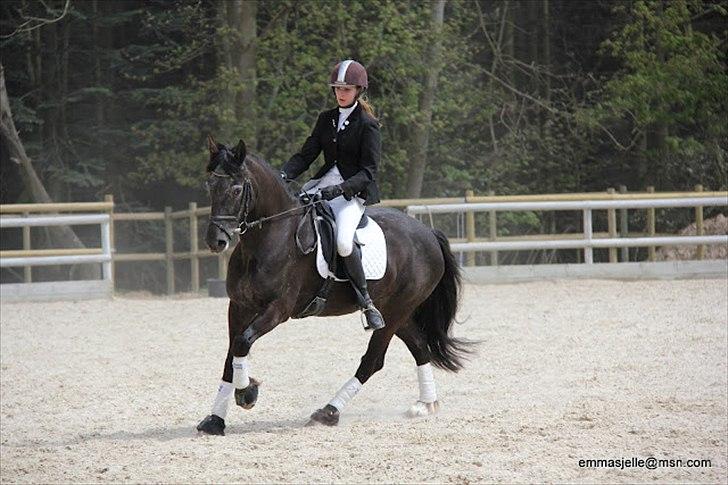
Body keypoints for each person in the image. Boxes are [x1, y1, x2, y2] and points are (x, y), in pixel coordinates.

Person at [280, 59, 385, 331]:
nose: (341, 93)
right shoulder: (325, 119)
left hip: (352, 193)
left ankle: (366, 301)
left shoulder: (367, 124)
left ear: (358, 90)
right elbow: (307, 155)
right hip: (322, 183)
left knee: (343, 242)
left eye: (347, 89)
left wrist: (341, 189)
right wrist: (283, 175)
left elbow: (369, 171)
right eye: (337, 88)